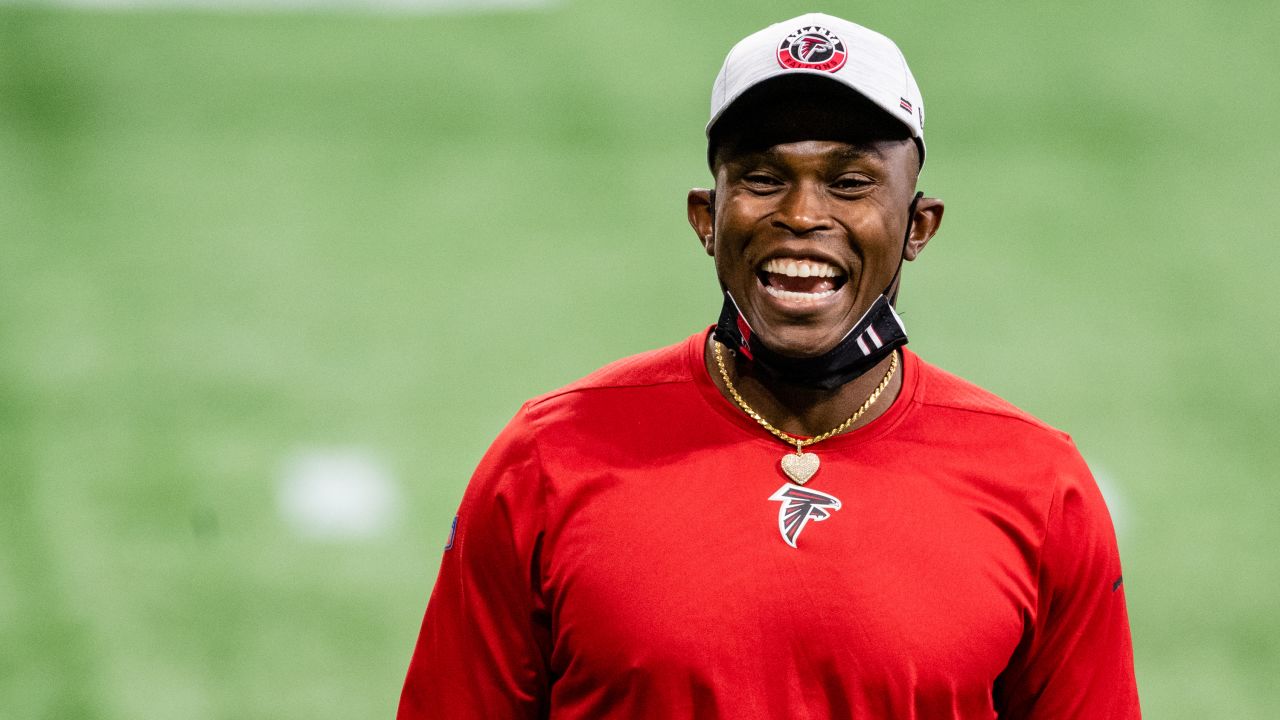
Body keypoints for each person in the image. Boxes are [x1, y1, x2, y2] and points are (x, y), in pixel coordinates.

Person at [398, 12, 1139, 719]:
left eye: (850, 183)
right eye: (761, 178)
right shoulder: (548, 458)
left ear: (918, 225)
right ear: (706, 218)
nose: (802, 214)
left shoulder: (1040, 488)